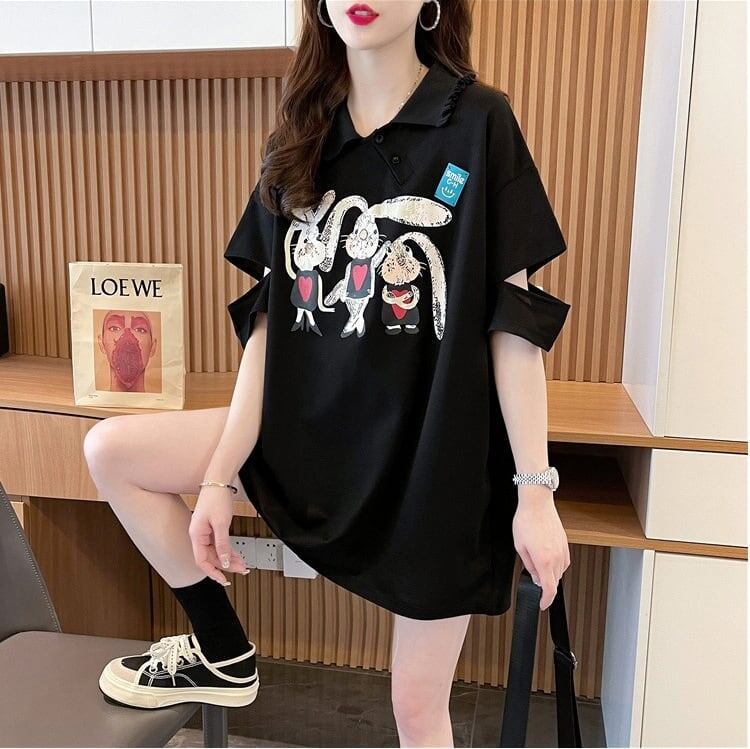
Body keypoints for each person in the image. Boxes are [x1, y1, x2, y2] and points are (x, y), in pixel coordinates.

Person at [84, 0, 572, 745]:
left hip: (431, 460)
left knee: (417, 710)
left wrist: (534, 491)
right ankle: (222, 650)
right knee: (112, 452)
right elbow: (268, 327)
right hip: (306, 438)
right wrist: (219, 476)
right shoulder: (300, 134)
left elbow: (514, 323)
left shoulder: (478, 121)